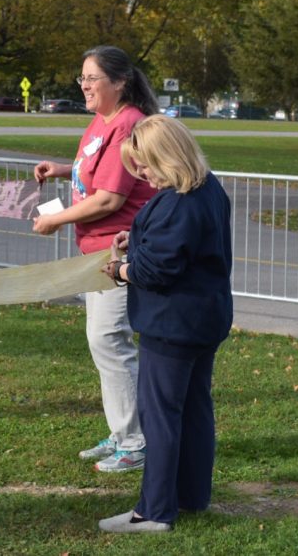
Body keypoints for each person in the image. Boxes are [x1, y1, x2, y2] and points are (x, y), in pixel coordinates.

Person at [97, 114, 233, 534]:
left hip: (172, 324)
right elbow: (178, 247)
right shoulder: (206, 187)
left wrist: (122, 271)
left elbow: (158, 270)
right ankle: (191, 496)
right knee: (193, 409)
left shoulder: (179, 201)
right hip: (204, 320)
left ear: (168, 158)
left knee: (160, 416)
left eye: (146, 166)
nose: (143, 176)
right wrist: (134, 239)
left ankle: (154, 511)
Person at [32, 45, 159, 472]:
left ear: (119, 82)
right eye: (81, 78)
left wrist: (57, 221)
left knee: (109, 341)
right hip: (95, 252)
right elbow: (97, 174)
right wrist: (63, 170)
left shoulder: (128, 125)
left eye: (92, 78)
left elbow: (110, 198)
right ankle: (123, 432)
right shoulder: (102, 122)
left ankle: (134, 441)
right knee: (103, 342)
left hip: (117, 250)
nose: (84, 85)